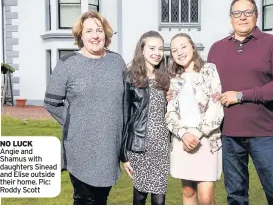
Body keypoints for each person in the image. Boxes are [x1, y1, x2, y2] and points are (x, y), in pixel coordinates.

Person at [208, 0, 273, 205]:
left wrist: (241, 95)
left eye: (248, 12)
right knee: (235, 197)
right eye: (237, 13)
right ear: (231, 18)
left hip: (263, 133)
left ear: (256, 16)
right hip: (229, 135)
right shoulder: (217, 48)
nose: (242, 17)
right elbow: (205, 86)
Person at [44, 11, 126, 205]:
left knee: (101, 199)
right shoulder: (67, 64)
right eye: (89, 31)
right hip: (80, 146)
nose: (95, 35)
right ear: (80, 35)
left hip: (109, 145)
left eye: (99, 30)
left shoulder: (117, 62)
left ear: (105, 34)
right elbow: (51, 102)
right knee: (84, 199)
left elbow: (128, 97)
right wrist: (75, 121)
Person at [166, 33, 224, 205]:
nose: (180, 52)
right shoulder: (174, 78)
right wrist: (184, 134)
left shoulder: (209, 70)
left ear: (192, 47)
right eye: (174, 50)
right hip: (181, 140)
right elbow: (170, 112)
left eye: (183, 46)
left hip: (205, 139)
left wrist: (197, 134)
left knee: (206, 197)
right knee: (188, 191)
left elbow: (216, 106)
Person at [122, 31, 170, 205]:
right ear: (142, 49)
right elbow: (125, 117)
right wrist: (124, 155)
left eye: (160, 48)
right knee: (140, 197)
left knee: (159, 200)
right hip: (139, 146)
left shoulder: (166, 77)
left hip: (162, 146)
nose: (157, 52)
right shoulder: (130, 78)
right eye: (152, 48)